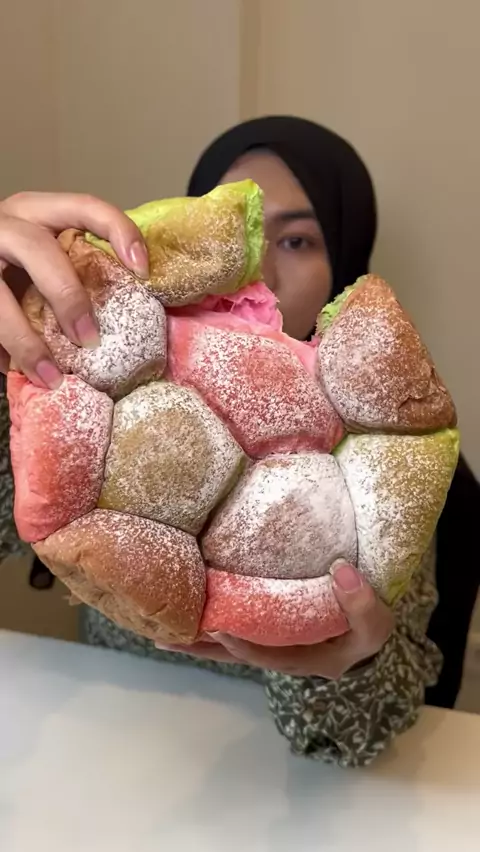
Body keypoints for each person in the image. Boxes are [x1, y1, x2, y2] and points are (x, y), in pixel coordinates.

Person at [0, 117, 478, 766]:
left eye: (299, 240)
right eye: (243, 236)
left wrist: (348, 665)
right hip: (98, 754)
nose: (266, 272)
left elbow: (353, 741)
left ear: (345, 254)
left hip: (278, 785)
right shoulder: (76, 379)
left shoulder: (394, 481)